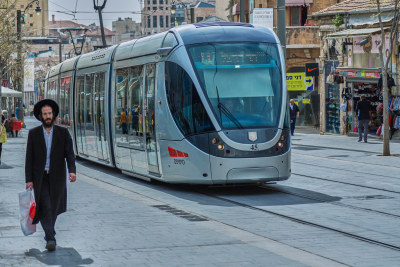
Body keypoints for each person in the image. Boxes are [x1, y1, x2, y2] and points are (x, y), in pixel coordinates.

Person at [25, 99, 76, 252]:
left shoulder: (63, 133)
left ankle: (49, 232)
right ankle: (50, 238)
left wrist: (72, 170)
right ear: (40, 116)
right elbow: (29, 158)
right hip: (40, 178)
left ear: (53, 115)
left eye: (50, 113)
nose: (48, 116)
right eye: (45, 114)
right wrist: (29, 180)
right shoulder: (33, 134)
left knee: (53, 207)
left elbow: (70, 154)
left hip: (57, 177)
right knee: (45, 205)